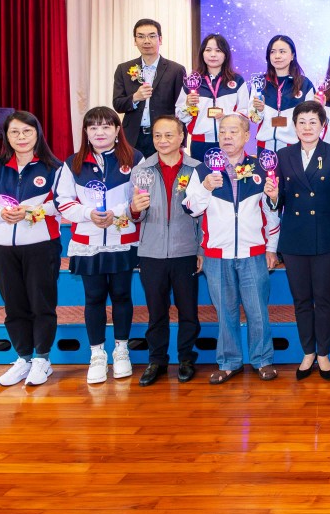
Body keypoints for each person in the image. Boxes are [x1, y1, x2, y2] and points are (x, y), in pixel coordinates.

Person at [184, 113, 280, 383]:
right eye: (223, 131)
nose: (227, 136)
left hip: (254, 251)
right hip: (217, 253)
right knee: (225, 312)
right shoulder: (203, 170)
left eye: (233, 131)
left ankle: (263, 360)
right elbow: (190, 208)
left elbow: (271, 212)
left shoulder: (260, 168)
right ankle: (228, 362)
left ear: (247, 136)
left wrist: (271, 247)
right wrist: (204, 188)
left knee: (257, 310)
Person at [0, 111, 62, 388]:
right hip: (3, 247)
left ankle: (42, 359)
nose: (21, 137)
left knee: (41, 303)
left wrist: (32, 210)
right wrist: (0, 214)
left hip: (41, 245)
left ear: (37, 134)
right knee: (14, 304)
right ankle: (23, 358)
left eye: (27, 132)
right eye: (15, 132)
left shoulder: (54, 167)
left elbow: (63, 203)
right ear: (7, 137)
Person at [54, 107, 140, 385]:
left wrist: (118, 212)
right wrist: (87, 214)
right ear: (86, 132)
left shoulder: (134, 159)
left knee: (122, 295)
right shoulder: (73, 163)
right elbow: (62, 200)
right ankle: (97, 355)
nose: (99, 132)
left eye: (106, 126)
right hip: (88, 241)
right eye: (93, 127)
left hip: (122, 239)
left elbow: (140, 196)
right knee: (93, 298)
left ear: (117, 130)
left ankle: (122, 350)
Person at [267, 101, 330, 382]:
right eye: (301, 122)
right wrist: (273, 196)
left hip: (326, 238)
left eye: (313, 122)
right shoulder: (283, 155)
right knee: (301, 299)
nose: (307, 127)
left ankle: (323, 353)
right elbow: (279, 201)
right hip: (294, 239)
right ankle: (308, 352)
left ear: (323, 126)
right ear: (294, 126)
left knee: (324, 299)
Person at [128, 116, 202, 386]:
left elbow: (204, 215)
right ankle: (156, 360)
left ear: (181, 137)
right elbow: (133, 214)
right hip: (151, 251)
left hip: (185, 251)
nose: (162, 141)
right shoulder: (142, 170)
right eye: (158, 135)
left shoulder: (196, 169)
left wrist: (200, 249)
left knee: (188, 310)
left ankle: (186, 358)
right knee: (156, 310)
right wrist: (134, 209)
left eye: (169, 135)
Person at [113, 18, 187, 158]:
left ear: (160, 39)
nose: (146, 41)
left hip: (164, 138)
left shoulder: (176, 70)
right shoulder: (124, 69)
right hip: (133, 137)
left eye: (152, 36)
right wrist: (135, 98)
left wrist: (181, 141)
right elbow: (118, 104)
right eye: (141, 36)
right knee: (133, 172)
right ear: (135, 41)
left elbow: (181, 107)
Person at [178, 33, 243, 164]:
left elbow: (245, 112)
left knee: (229, 177)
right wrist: (187, 105)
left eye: (218, 50)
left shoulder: (237, 81)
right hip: (200, 143)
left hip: (229, 141)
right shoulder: (192, 80)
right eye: (208, 50)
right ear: (202, 53)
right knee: (202, 177)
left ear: (225, 54)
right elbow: (180, 115)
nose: (213, 55)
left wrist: (227, 117)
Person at [247, 34, 316, 151]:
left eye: (282, 51)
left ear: (292, 55)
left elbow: (311, 119)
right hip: (264, 148)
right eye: (273, 52)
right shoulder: (259, 82)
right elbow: (254, 119)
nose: (277, 56)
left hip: (293, 148)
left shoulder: (305, 84)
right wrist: (260, 110)